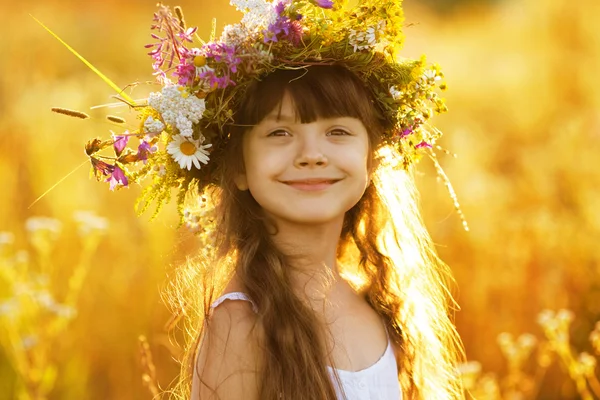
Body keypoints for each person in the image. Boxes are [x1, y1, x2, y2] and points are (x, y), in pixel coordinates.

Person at [72, 1, 466, 399]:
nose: (312, 154)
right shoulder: (242, 323)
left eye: (338, 132)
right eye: (279, 133)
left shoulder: (378, 305)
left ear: (371, 158)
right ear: (239, 168)